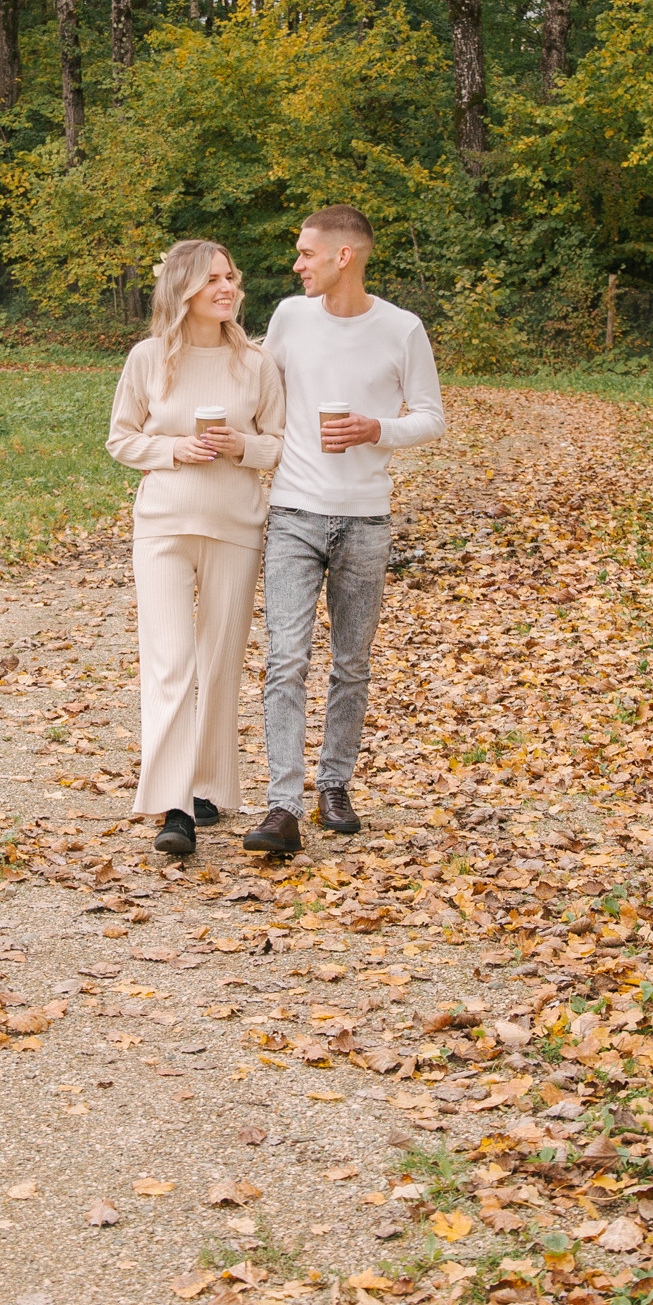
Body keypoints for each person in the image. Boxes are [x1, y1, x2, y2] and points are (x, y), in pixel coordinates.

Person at [243, 205, 443, 857]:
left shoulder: (402, 329)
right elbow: (256, 386)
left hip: (366, 520)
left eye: (306, 253)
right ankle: (282, 806)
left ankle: (334, 786)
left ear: (343, 257)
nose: (297, 264)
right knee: (286, 659)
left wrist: (375, 429)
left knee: (351, 665)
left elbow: (431, 417)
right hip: (295, 512)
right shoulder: (289, 317)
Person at [107, 241, 287, 860]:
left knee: (219, 663)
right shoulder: (148, 359)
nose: (227, 286)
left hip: (236, 523)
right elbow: (122, 440)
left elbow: (279, 445)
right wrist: (174, 450)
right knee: (169, 662)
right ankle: (174, 803)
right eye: (213, 278)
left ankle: (209, 786)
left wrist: (241, 447)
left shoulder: (257, 364)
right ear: (183, 287)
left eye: (232, 275)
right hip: (163, 524)